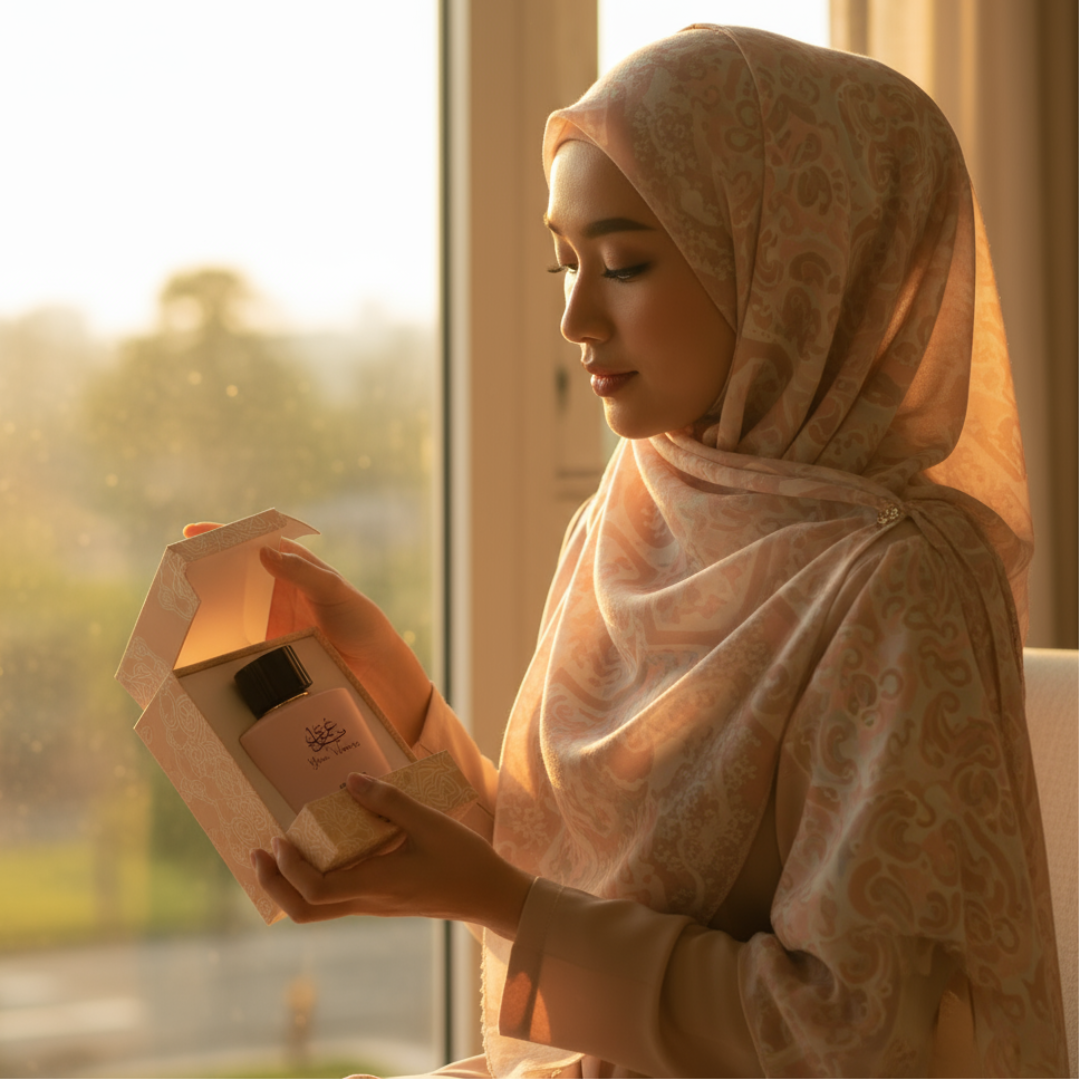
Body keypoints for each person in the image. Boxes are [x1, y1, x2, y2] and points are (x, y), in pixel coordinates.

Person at [192, 25, 1067, 1078]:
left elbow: (851, 1035)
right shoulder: (637, 506)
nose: (574, 316)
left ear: (791, 267)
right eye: (562, 262)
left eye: (623, 263)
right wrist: (388, 688)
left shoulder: (900, 580)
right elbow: (574, 864)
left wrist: (493, 900)